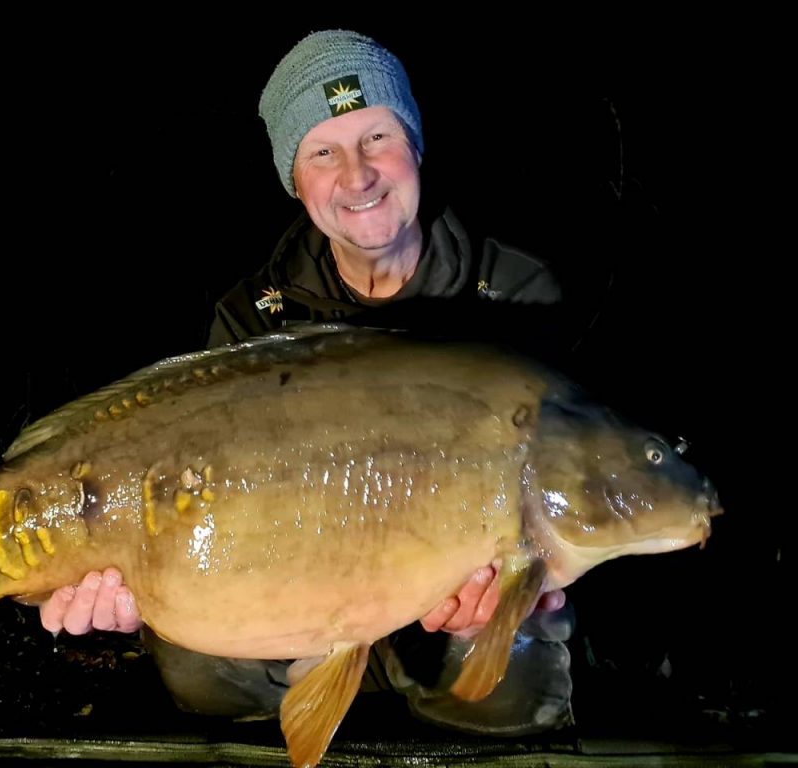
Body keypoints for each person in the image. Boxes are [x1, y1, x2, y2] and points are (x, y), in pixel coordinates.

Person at [40, 29, 581, 735]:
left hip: (446, 600)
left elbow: (566, 484)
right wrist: (117, 575)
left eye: (377, 137)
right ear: (295, 181)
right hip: (288, 595)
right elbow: (175, 495)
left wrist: (538, 578)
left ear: (414, 146)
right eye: (323, 151)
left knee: (510, 690)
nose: (357, 176)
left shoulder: (513, 291)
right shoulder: (250, 319)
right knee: (196, 668)